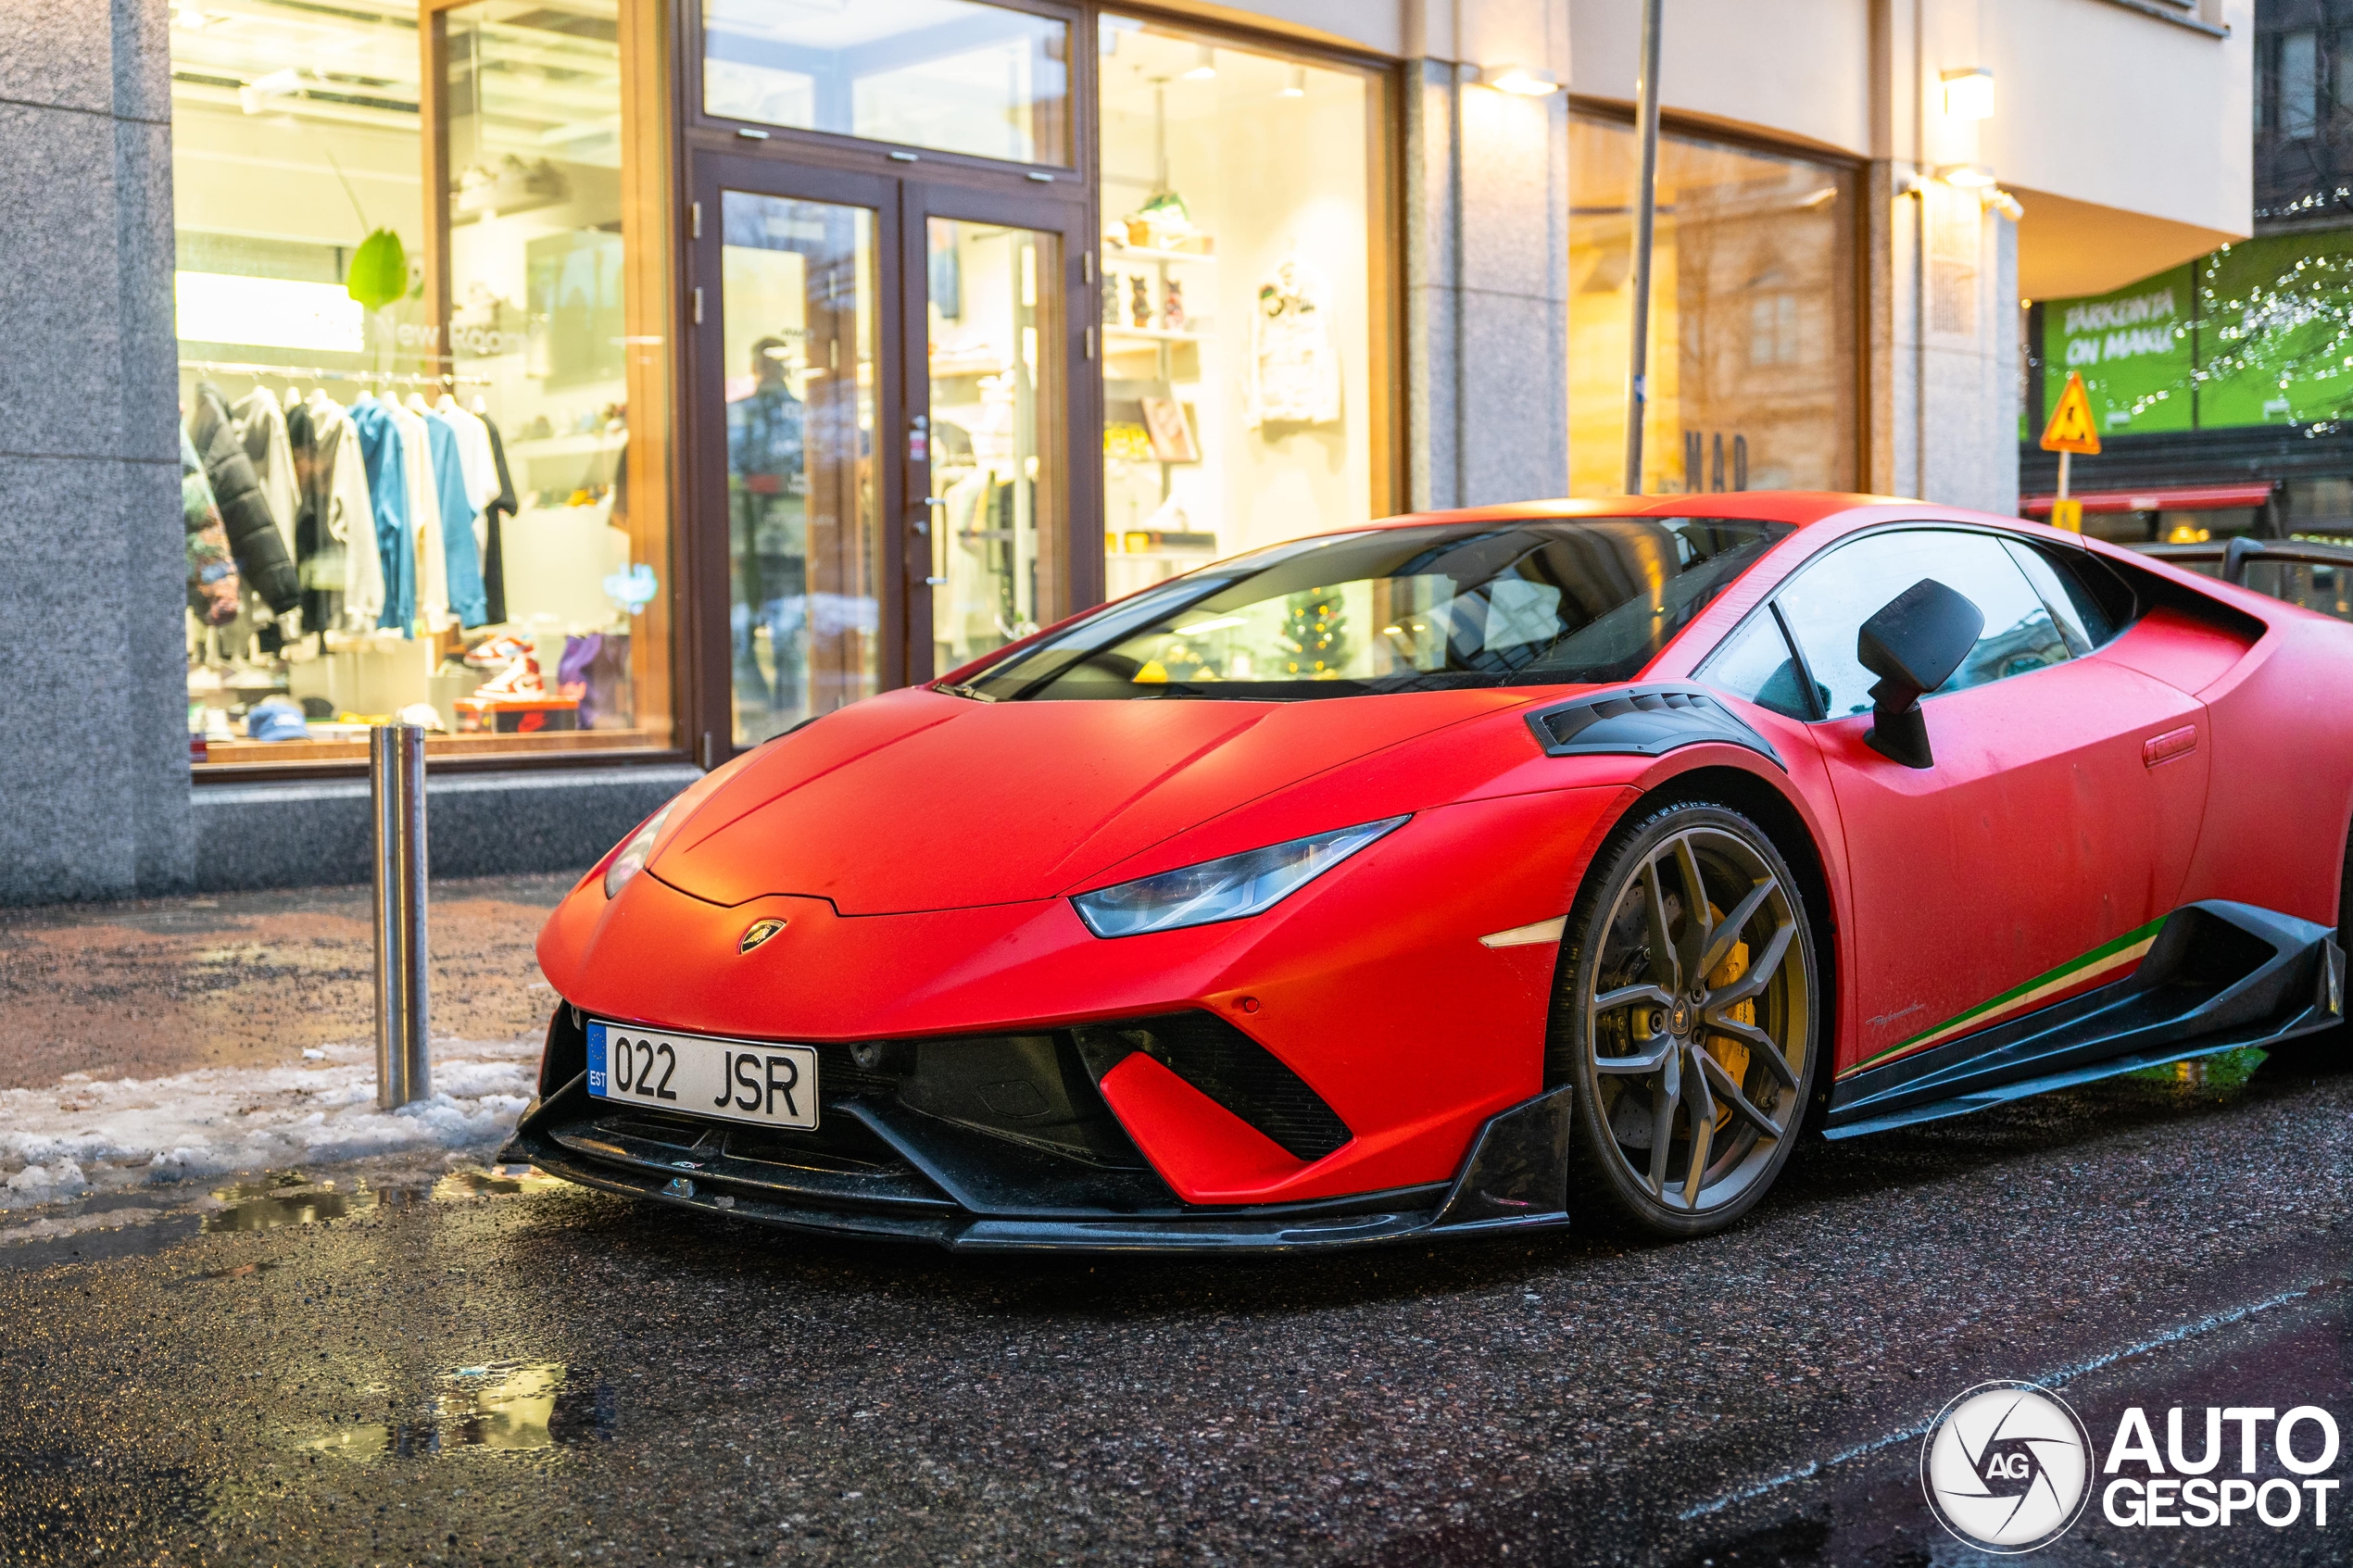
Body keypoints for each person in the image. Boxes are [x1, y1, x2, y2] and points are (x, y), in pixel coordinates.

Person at [726, 334, 809, 732]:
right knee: (738, 636)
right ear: (757, 366)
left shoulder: (806, 417)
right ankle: (759, 723)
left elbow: (826, 480)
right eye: (767, 362)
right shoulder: (732, 416)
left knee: (788, 639)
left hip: (790, 543)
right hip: (742, 542)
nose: (773, 370)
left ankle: (788, 726)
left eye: (779, 362)